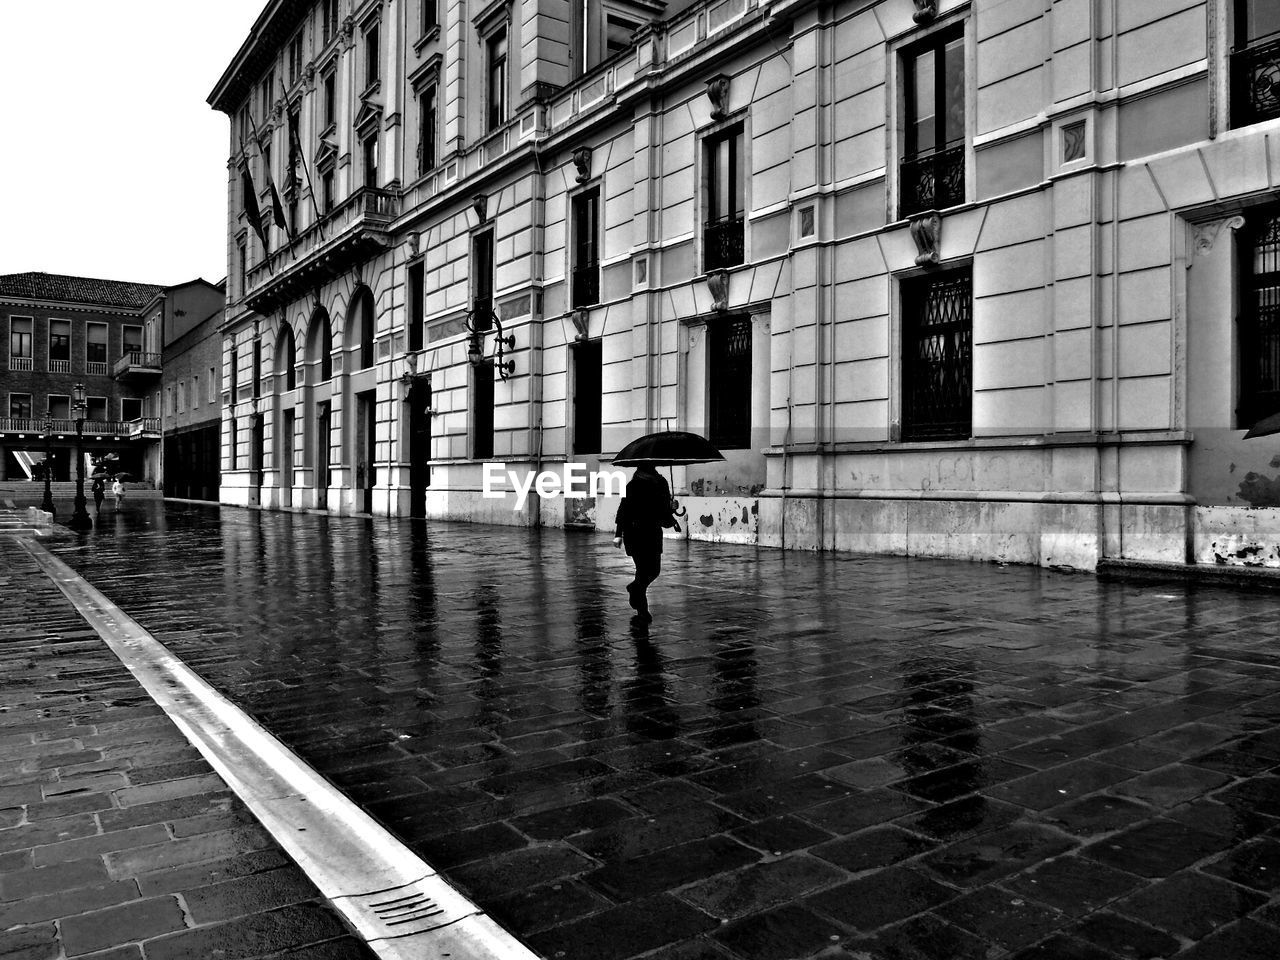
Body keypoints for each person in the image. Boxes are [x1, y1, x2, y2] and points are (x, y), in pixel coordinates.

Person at [613, 464, 678, 622]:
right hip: (635, 532)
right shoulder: (632, 485)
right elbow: (624, 509)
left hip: (653, 532)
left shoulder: (661, 483)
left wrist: (672, 508)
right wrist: (618, 534)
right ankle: (642, 610)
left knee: (654, 570)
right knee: (642, 570)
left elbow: (663, 510)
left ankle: (634, 588)